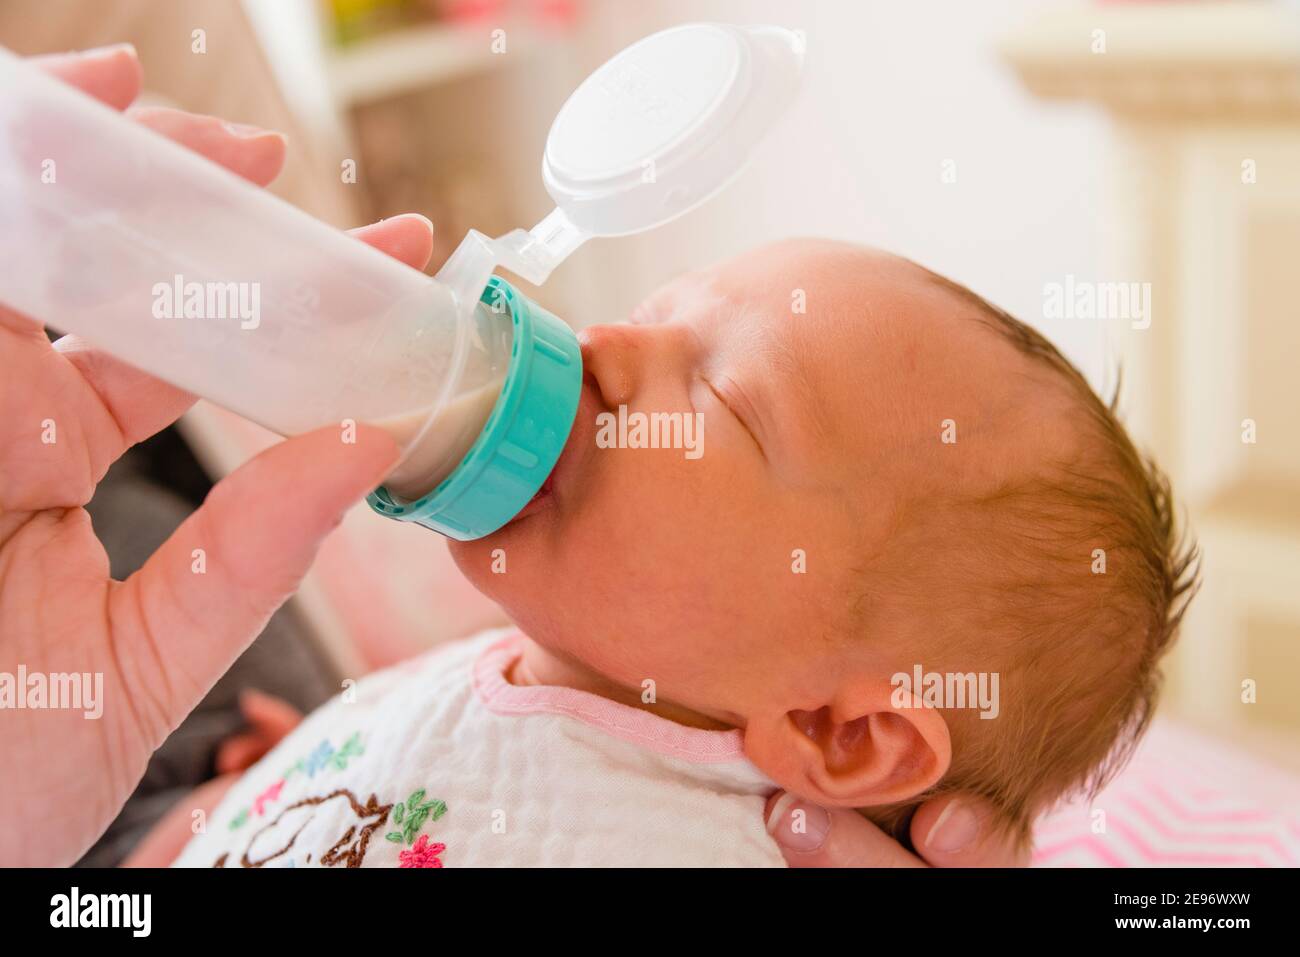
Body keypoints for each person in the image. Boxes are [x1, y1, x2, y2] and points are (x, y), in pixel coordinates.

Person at [1, 45, 1031, 868]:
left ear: (839, 731)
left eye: (721, 396)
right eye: (647, 315)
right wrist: (310, 776)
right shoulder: (582, 656)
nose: (603, 343)